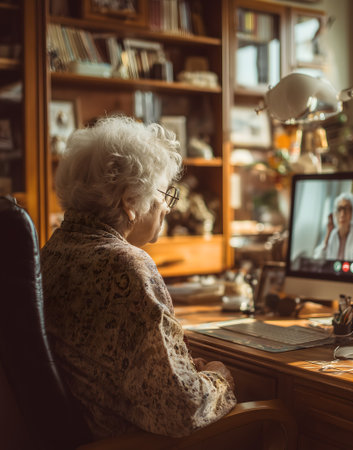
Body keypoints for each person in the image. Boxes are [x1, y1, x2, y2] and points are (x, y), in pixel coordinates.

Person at [40, 116, 236, 439]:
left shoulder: (53, 251)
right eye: (164, 193)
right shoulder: (127, 266)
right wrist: (220, 378)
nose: (168, 207)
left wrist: (180, 368)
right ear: (130, 201)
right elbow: (183, 410)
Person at [314, 192, 353, 261]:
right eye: (339, 209)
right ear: (335, 214)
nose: (342, 214)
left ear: (351, 214)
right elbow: (317, 261)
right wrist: (328, 235)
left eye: (346, 209)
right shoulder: (331, 235)